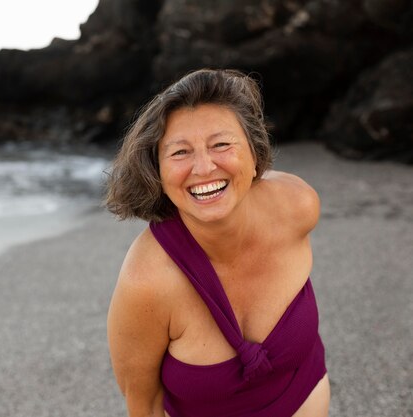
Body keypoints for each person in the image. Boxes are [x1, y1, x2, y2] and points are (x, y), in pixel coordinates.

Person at [105, 68, 330, 417]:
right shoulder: (147, 282)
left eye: (221, 144)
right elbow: (144, 404)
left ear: (254, 154)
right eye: (180, 152)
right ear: (158, 172)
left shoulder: (297, 207)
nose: (204, 167)